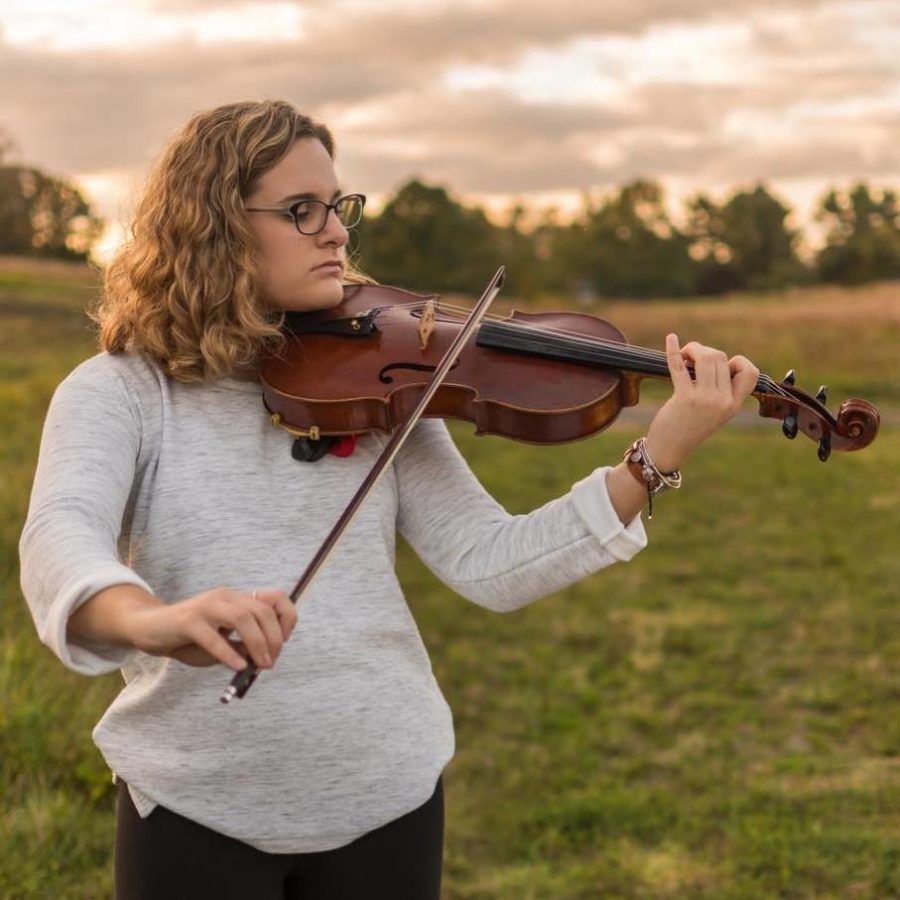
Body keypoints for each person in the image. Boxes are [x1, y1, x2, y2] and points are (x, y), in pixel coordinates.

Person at [19, 99, 759, 900]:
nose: (336, 233)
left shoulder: (383, 376)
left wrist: (657, 457)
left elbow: (489, 561)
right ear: (214, 226)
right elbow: (63, 537)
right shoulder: (122, 392)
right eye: (301, 211)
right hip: (194, 808)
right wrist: (153, 622)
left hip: (389, 798)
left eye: (338, 208)